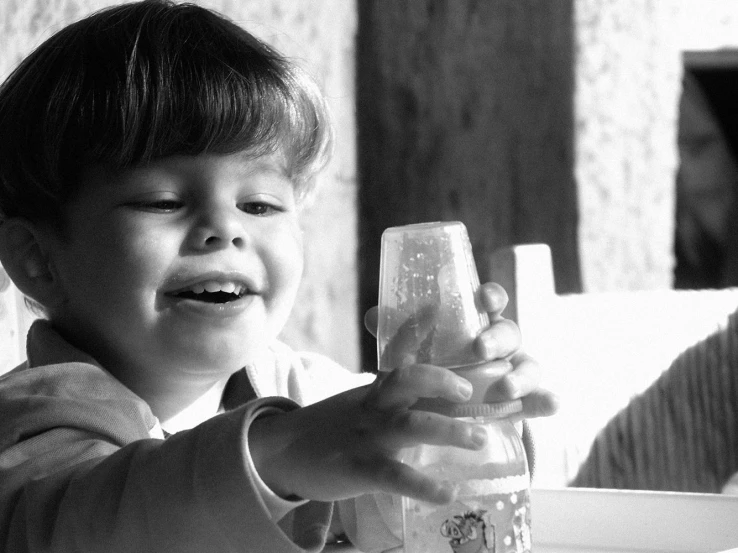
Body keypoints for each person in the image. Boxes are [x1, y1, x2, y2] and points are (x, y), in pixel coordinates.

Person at [0, 2, 557, 552]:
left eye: (261, 205)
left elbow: (398, 513)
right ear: (37, 258)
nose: (224, 228)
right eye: (163, 201)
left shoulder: (304, 391)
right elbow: (78, 527)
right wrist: (280, 456)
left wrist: (459, 418)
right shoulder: (34, 423)